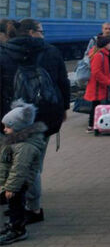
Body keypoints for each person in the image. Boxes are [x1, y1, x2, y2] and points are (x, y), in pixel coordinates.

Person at [0, 18, 69, 225]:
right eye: (41, 30)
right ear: (31, 32)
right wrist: (64, 109)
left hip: (14, 117)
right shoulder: (51, 51)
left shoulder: (6, 53)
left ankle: (18, 205)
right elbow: (62, 82)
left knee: (14, 162)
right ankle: (33, 207)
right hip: (44, 117)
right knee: (34, 164)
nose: (42, 34)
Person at [0, 100, 48, 244]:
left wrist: (11, 187)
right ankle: (13, 225)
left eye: (8, 127)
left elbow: (19, 168)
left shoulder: (24, 147)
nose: (4, 130)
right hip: (16, 181)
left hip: (19, 183)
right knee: (14, 206)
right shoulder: (18, 141)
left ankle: (17, 230)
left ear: (18, 127)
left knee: (16, 206)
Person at [85, 35, 110, 133]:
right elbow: (96, 72)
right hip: (97, 86)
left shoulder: (101, 54)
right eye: (109, 43)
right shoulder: (99, 55)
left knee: (96, 105)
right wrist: (108, 81)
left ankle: (94, 125)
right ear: (105, 45)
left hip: (98, 85)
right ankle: (91, 126)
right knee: (96, 106)